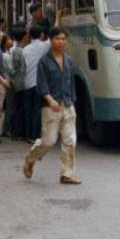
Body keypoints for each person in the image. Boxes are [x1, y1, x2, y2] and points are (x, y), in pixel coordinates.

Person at [23, 27, 81, 185]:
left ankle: (66, 174)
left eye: (63, 39)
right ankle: (30, 159)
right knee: (48, 141)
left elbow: (71, 83)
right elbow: (41, 85)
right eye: (57, 39)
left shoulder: (68, 60)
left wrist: (72, 102)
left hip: (68, 105)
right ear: (51, 40)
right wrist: (50, 100)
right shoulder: (44, 61)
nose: (61, 42)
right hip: (50, 107)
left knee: (70, 141)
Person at [23, 25, 51, 142]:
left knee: (28, 110)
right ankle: (35, 136)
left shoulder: (25, 49)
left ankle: (28, 135)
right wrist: (58, 17)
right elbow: (54, 34)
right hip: (37, 83)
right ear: (41, 35)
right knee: (36, 111)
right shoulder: (43, 46)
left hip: (26, 83)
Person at [9, 26, 29, 139]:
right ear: (23, 37)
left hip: (19, 82)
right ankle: (17, 132)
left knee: (19, 107)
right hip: (19, 83)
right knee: (19, 108)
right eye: (26, 36)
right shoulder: (19, 51)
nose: (28, 37)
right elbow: (17, 68)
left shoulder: (18, 50)